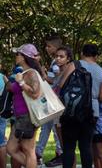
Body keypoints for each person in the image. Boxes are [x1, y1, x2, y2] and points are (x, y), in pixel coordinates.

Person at [54, 46, 96, 168]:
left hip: (70, 114)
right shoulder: (99, 70)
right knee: (86, 148)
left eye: (61, 56)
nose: (58, 58)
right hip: (88, 114)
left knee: (68, 148)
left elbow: (61, 86)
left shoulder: (74, 65)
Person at [8, 45, 43, 168]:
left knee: (28, 149)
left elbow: (35, 93)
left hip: (27, 116)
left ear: (24, 57)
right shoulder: (22, 72)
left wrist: (21, 82)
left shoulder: (31, 73)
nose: (16, 56)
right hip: (20, 116)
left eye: (18, 54)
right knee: (11, 148)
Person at [76, 44, 102, 168]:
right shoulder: (100, 71)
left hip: (75, 109)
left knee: (74, 146)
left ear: (82, 53)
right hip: (93, 110)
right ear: (96, 56)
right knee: (88, 146)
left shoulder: (75, 65)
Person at [38, 35, 64, 168]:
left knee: (55, 127)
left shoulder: (56, 63)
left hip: (55, 100)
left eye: (49, 46)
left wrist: (43, 74)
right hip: (53, 100)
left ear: (55, 47)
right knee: (47, 126)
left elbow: (55, 80)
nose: (46, 48)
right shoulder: (56, 62)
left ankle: (60, 154)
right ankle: (38, 153)